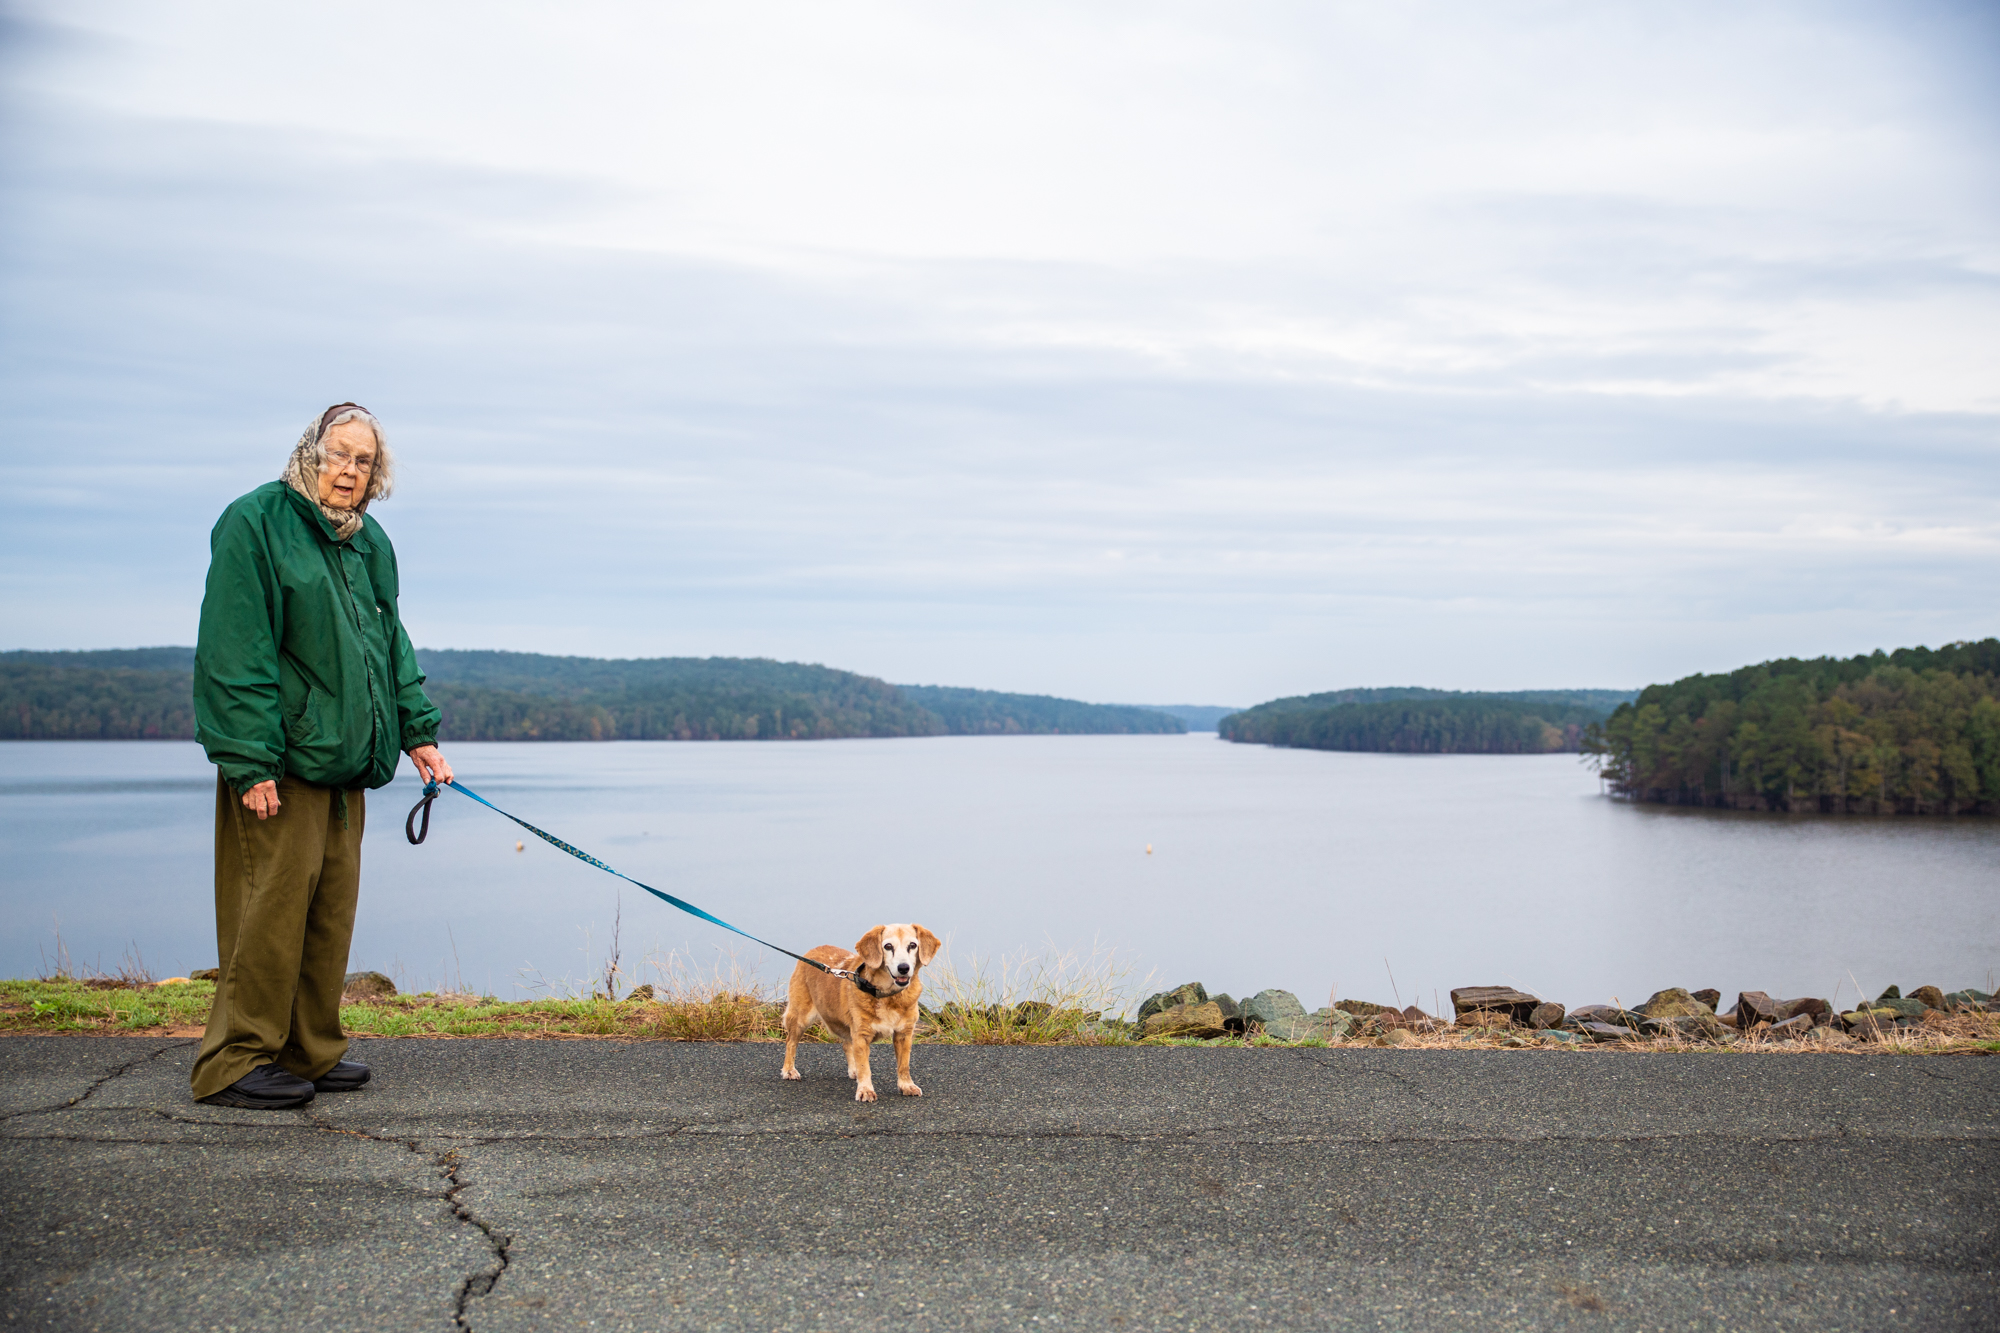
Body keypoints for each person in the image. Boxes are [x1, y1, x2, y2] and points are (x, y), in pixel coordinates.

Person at [189, 402, 454, 1110]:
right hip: (279, 766)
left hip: (346, 762)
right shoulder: (255, 523)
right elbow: (233, 648)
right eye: (338, 454)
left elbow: (390, 644)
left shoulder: (370, 543)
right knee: (267, 912)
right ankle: (236, 1059)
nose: (349, 471)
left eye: (363, 461)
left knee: (328, 913)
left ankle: (307, 1048)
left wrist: (417, 730)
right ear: (309, 452)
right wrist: (249, 760)